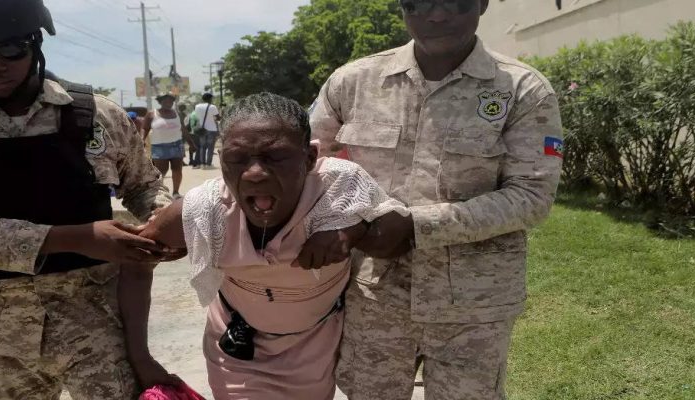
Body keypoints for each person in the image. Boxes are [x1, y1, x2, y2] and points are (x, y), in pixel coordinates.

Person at [0, 0, 178, 398]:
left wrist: (164, 225)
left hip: (96, 322)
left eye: (10, 47)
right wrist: (71, 237)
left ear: (34, 44)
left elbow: (144, 185)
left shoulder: (98, 115)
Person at [309, 0, 564, 398]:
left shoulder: (521, 89)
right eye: (419, 3)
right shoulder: (353, 82)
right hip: (374, 297)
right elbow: (306, 168)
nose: (437, 15)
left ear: (482, 3)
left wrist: (416, 226)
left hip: (473, 307)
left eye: (455, 2)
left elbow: (532, 196)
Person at [134, 93, 408, 400]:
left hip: (314, 346)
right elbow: (134, 257)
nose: (254, 173)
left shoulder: (338, 189)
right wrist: (140, 355)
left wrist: (355, 227)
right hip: (238, 350)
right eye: (237, 158)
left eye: (274, 157)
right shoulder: (206, 209)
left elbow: (400, 234)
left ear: (309, 159)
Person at [145, 93, 185, 199]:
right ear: (160, 102)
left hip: (177, 145)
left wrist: (192, 144)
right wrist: (141, 141)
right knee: (161, 171)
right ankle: (160, 192)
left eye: (171, 101)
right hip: (159, 147)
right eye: (166, 101)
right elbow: (145, 129)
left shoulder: (177, 113)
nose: (169, 103)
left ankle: (176, 192)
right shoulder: (151, 114)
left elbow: (184, 130)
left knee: (177, 170)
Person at [191, 93, 220, 168]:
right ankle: (208, 164)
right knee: (210, 147)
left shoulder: (197, 106)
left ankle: (202, 164)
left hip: (201, 129)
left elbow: (198, 116)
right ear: (210, 99)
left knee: (202, 147)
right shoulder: (212, 107)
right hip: (211, 129)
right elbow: (218, 117)